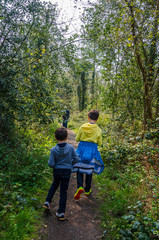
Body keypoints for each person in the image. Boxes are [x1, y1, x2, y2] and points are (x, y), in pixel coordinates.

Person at [43, 128, 79, 220]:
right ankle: (61, 213)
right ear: (67, 138)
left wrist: (56, 164)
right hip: (67, 172)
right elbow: (77, 159)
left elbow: (51, 164)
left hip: (57, 171)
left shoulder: (53, 150)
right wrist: (70, 164)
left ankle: (47, 202)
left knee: (54, 185)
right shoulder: (70, 148)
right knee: (63, 192)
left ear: (55, 138)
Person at [72, 110, 104, 200]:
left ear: (88, 118)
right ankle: (87, 190)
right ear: (97, 119)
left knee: (79, 168)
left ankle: (80, 186)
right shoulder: (98, 129)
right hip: (92, 151)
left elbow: (77, 138)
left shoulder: (82, 127)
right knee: (89, 170)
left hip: (82, 150)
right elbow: (100, 143)